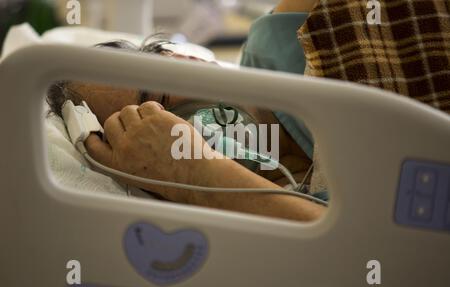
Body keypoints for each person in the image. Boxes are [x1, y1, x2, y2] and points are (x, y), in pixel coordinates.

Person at [47, 35, 324, 222]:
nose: (170, 130)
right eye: (143, 138)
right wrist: (192, 174)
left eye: (161, 100)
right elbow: (351, 252)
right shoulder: (246, 231)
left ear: (187, 60)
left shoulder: (285, 41)